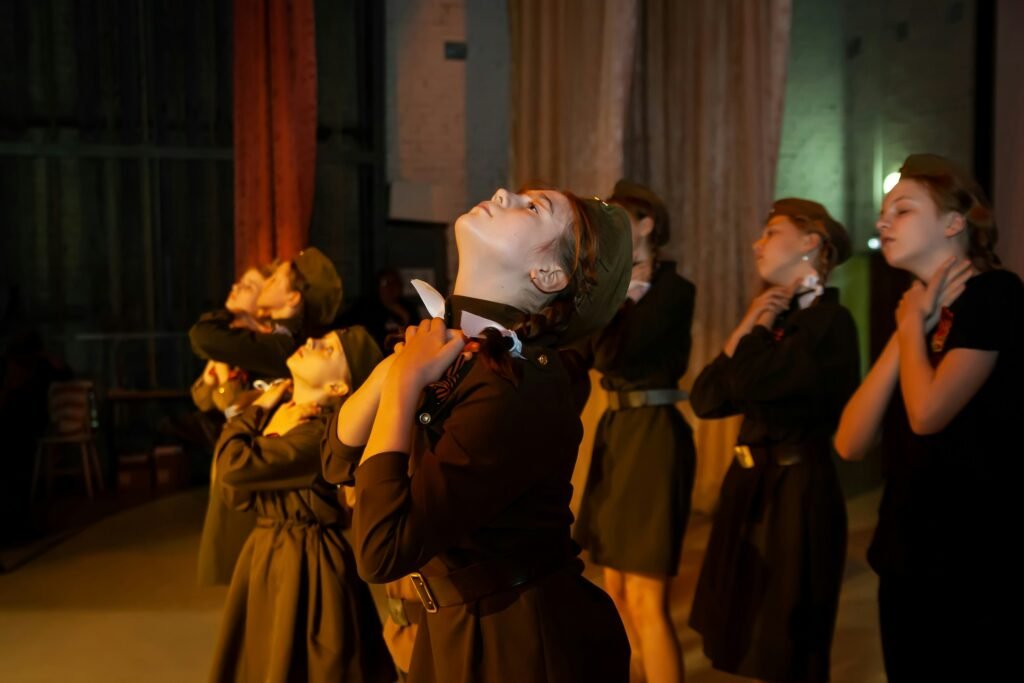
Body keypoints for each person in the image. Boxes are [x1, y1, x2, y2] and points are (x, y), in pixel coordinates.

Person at [321, 187, 633, 682]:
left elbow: (382, 550)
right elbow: (336, 460)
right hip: (450, 627)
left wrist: (403, 384)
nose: (503, 191)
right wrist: (392, 372)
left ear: (548, 274)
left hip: (520, 641)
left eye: (533, 207)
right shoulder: (445, 345)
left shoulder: (522, 383)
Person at [834, 154, 1022, 682]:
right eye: (883, 211)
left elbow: (928, 414)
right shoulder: (913, 311)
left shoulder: (997, 295)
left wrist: (913, 326)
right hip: (905, 554)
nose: (882, 222)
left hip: (974, 563)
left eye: (903, 209)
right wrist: (910, 327)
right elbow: (849, 441)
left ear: (953, 222)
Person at [688, 199, 860, 683]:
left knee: (786, 642)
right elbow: (706, 399)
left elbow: (749, 383)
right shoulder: (776, 319)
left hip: (796, 494)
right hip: (750, 488)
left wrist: (754, 329)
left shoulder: (829, 323)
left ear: (811, 242)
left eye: (771, 232)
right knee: (746, 636)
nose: (756, 243)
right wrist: (750, 323)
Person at [208, 326, 395, 683]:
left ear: (339, 388)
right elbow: (234, 491)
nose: (311, 341)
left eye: (327, 350)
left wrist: (257, 411)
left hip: (309, 567)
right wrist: (267, 418)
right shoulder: (284, 413)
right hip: (267, 555)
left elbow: (234, 469)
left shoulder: (319, 431)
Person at [573, 180, 696, 682]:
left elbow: (610, 354)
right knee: (616, 588)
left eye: (619, 216)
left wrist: (621, 298)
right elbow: (584, 354)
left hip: (653, 432)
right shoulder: (611, 284)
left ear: (647, 224)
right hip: (618, 428)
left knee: (647, 596)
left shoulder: (674, 290)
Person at [190, 247, 342, 379]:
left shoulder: (283, 345)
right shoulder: (275, 335)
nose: (267, 283)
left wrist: (236, 314)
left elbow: (203, 336)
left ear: (292, 298)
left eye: (275, 279)